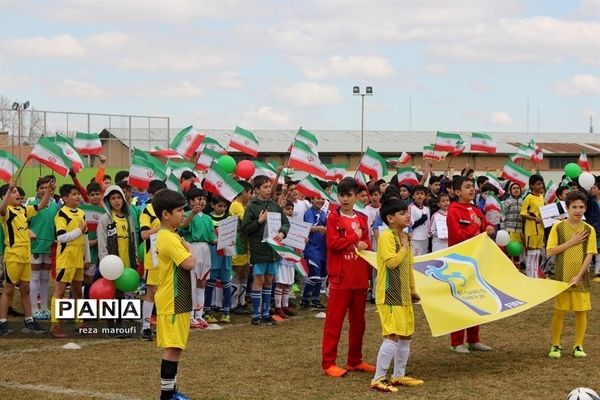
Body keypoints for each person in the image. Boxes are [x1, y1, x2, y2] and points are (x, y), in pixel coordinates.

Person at [321, 177, 375, 377]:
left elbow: (367, 241)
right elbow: (333, 243)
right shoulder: (333, 217)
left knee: (359, 322)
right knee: (334, 322)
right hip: (341, 277)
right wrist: (354, 238)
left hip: (360, 276)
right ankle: (328, 363)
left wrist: (364, 243)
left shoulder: (362, 218)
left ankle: (355, 360)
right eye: (341, 195)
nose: (345, 199)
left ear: (356, 197)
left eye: (349, 195)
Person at [371, 198, 424, 392]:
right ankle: (378, 378)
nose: (407, 216)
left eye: (406, 212)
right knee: (392, 335)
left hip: (403, 293)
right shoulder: (386, 237)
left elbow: (408, 266)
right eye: (402, 213)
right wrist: (402, 247)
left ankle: (398, 376)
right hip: (389, 292)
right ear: (390, 218)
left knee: (406, 334)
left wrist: (412, 290)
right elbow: (392, 262)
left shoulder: (406, 237)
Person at [153, 189, 195, 400]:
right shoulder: (168, 237)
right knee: (173, 347)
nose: (182, 213)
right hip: (173, 299)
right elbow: (189, 263)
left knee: (176, 346)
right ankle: (166, 394)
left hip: (179, 298)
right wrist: (190, 249)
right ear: (165, 214)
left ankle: (172, 391)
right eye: (179, 210)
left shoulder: (171, 235)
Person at [446, 176, 495, 354]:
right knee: (460, 300)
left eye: (472, 186)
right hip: (459, 261)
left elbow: (484, 223)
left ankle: (474, 339)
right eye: (467, 187)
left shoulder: (475, 208)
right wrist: (475, 228)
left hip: (476, 260)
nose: (472, 189)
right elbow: (458, 235)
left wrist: (489, 227)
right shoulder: (453, 210)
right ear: (457, 192)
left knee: (476, 298)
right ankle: (456, 341)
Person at [546, 191, 597, 359]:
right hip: (562, 276)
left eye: (581, 207)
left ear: (585, 208)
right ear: (567, 208)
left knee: (581, 312)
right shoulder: (557, 227)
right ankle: (555, 345)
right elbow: (550, 251)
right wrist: (572, 242)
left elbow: (590, 255)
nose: (578, 210)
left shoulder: (589, 230)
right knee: (559, 311)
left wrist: (579, 276)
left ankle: (578, 345)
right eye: (574, 207)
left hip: (581, 278)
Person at [0, 180, 53, 335]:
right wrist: (9, 189)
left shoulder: (23, 210)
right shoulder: (6, 211)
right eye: (14, 192)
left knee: (25, 288)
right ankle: (2, 322)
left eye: (17, 192)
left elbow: (41, 206)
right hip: (13, 256)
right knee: (9, 289)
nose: (18, 194)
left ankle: (29, 320)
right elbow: (1, 208)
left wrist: (48, 191)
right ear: (5, 196)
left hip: (25, 256)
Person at [241, 175, 290, 325]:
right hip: (259, 249)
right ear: (256, 190)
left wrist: (282, 232)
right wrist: (259, 221)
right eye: (265, 187)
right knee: (259, 280)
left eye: (270, 187)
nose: (269, 190)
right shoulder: (252, 207)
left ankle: (266, 313)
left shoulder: (274, 206)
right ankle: (256, 315)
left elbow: (285, 222)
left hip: (273, 250)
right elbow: (245, 229)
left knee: (269, 280)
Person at [96, 184, 138, 337]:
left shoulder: (128, 218)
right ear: (108, 201)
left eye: (119, 197)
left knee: (121, 294)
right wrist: (104, 261)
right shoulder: (105, 219)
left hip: (125, 262)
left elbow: (133, 238)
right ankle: (110, 326)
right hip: (110, 264)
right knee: (109, 294)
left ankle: (119, 325)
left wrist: (135, 260)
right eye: (113, 198)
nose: (116, 201)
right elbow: (102, 241)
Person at [50, 184, 90, 338]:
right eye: (74, 194)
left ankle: (80, 322)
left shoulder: (81, 213)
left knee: (78, 292)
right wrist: (78, 230)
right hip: (66, 259)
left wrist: (87, 258)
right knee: (59, 292)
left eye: (78, 194)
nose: (78, 197)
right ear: (65, 198)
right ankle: (55, 325)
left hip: (78, 259)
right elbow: (61, 237)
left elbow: (85, 237)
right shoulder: (61, 214)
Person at [179, 187, 214, 329]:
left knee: (202, 282)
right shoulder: (186, 214)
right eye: (199, 199)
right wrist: (192, 213)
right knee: (191, 283)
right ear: (191, 201)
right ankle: (190, 315)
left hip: (205, 249)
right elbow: (183, 226)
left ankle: (199, 315)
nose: (202, 201)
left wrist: (226, 240)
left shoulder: (208, 218)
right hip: (192, 247)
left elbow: (212, 238)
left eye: (204, 199)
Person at [26, 176, 59, 320]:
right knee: (34, 278)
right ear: (36, 190)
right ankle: (34, 308)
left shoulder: (54, 206)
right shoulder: (31, 206)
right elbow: (23, 225)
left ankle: (44, 308)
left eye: (47, 188)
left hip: (49, 246)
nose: (44, 190)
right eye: (42, 188)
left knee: (45, 278)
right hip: (35, 246)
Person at [140, 180, 168, 340]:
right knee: (152, 292)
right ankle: (145, 327)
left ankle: (161, 325)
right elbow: (144, 235)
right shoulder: (147, 211)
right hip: (153, 258)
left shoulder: (167, 210)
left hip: (167, 256)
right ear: (152, 194)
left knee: (164, 292)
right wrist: (159, 228)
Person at [204, 196, 233, 323]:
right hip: (212, 254)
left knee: (226, 282)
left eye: (224, 206)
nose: (222, 209)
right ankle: (207, 311)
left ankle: (226, 312)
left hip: (226, 254)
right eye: (219, 206)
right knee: (210, 282)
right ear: (212, 205)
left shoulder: (229, 219)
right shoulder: (207, 218)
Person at [229, 181, 252, 313]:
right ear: (244, 192)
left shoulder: (241, 205)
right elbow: (246, 221)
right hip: (238, 243)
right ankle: (234, 304)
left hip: (244, 243)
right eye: (250, 193)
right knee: (238, 273)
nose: (250, 196)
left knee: (245, 272)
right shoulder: (236, 205)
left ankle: (241, 302)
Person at [301, 196, 327, 309]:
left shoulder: (323, 213)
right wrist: (319, 228)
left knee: (321, 276)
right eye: (317, 198)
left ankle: (315, 300)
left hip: (322, 249)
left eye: (322, 199)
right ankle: (305, 299)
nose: (320, 201)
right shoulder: (309, 212)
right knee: (314, 276)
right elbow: (307, 227)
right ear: (311, 200)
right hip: (312, 248)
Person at [274, 201, 297, 318]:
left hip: (290, 256)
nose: (290, 211)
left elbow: (297, 238)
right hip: (281, 256)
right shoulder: (278, 222)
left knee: (288, 283)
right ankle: (278, 307)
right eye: (288, 209)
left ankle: (285, 305)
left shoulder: (294, 223)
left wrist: (303, 240)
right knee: (281, 282)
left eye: (292, 209)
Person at [520, 174, 546, 278]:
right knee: (531, 253)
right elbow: (523, 213)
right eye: (538, 184)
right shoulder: (528, 198)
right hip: (531, 228)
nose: (540, 186)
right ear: (532, 185)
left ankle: (535, 275)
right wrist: (534, 218)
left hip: (540, 229)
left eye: (541, 183)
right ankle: (530, 275)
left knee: (537, 253)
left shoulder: (541, 197)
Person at [83, 181, 103, 299]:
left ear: (101, 195)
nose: (95, 197)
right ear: (88, 196)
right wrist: (92, 242)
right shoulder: (82, 210)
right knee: (86, 281)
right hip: (87, 252)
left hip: (100, 252)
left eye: (97, 194)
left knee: (98, 280)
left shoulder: (106, 212)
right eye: (92, 195)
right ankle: (86, 309)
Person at [501, 182, 524, 268]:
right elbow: (503, 216)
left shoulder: (524, 202)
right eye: (513, 188)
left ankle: (516, 270)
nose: (516, 190)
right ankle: (507, 269)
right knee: (509, 251)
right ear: (510, 191)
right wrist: (504, 230)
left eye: (517, 188)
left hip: (519, 231)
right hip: (509, 230)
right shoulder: (507, 202)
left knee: (517, 252)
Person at [409, 185, 430, 256]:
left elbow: (428, 224)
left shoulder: (426, 209)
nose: (419, 195)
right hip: (415, 238)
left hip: (425, 238)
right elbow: (410, 225)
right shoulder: (411, 207)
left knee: (424, 258)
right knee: (416, 258)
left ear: (425, 196)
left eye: (422, 193)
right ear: (413, 196)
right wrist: (421, 220)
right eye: (417, 194)